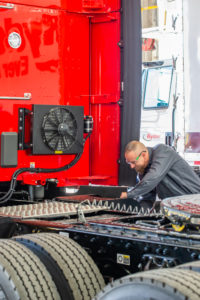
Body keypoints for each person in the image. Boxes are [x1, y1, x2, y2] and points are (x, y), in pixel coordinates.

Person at [120, 141, 200, 206]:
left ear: (143, 155)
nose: (132, 166)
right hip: (176, 206)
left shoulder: (162, 151)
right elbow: (146, 198)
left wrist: (127, 194)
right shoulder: (143, 171)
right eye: (129, 163)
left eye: (133, 162)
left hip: (194, 201)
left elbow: (153, 177)